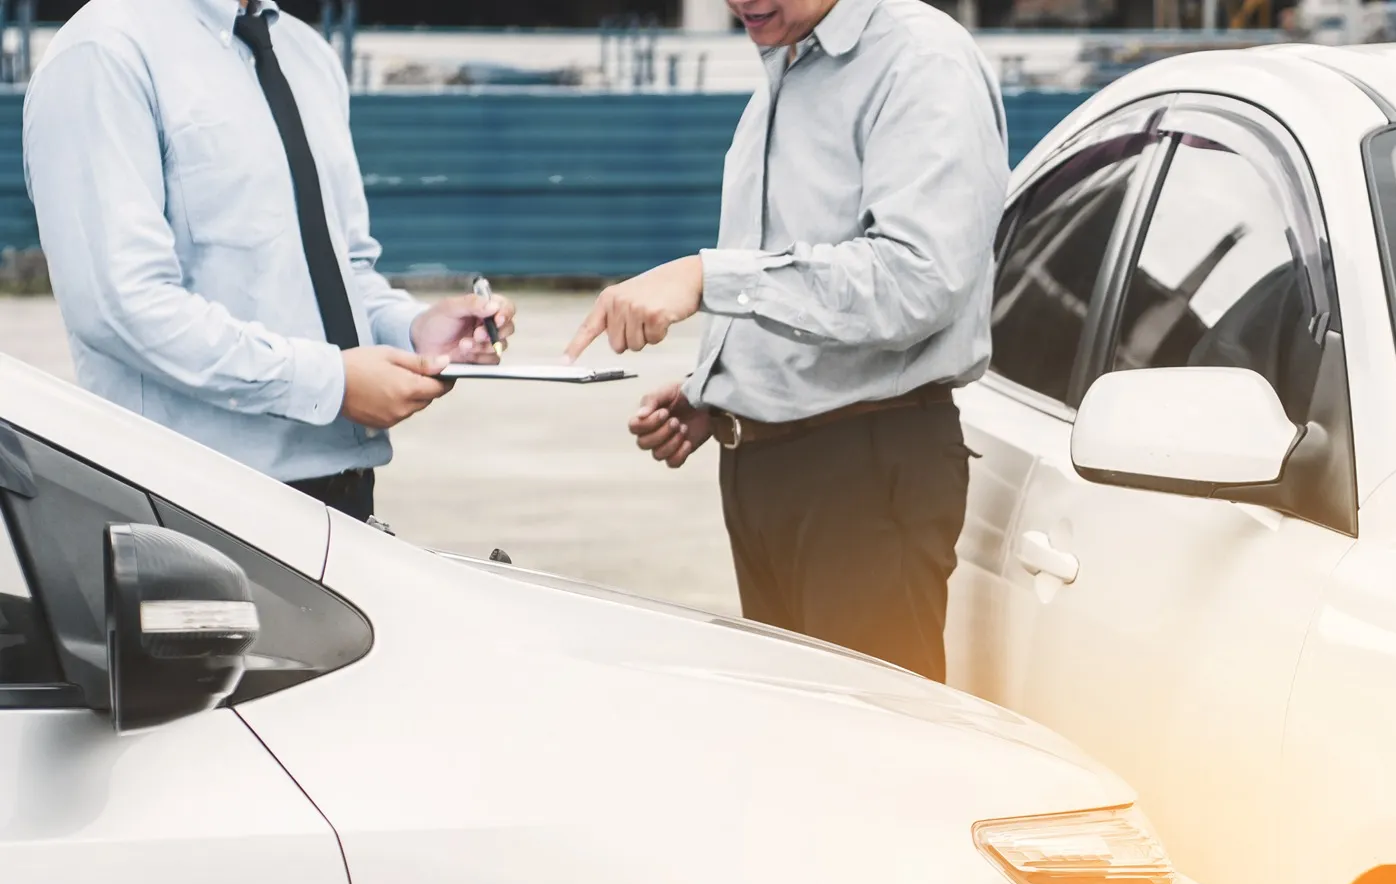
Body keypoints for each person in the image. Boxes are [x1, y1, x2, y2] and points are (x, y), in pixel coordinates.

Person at [564, 0, 1007, 682]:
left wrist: (705, 276)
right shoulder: (788, 66)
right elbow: (798, 269)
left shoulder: (920, 61)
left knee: (870, 761)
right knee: (798, 755)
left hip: (862, 473)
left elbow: (917, 280)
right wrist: (724, 389)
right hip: (775, 473)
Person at [23, 0, 516, 523]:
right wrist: (330, 383)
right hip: (185, 503)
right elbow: (122, 306)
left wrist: (411, 330)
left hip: (343, 498)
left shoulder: (306, 55)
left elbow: (343, 269)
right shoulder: (104, 52)